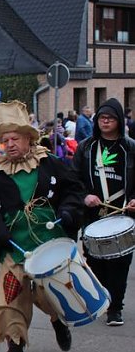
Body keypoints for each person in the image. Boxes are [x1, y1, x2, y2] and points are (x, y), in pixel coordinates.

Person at [0, 101, 83, 352]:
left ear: (28, 139)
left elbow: (73, 190)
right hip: (15, 245)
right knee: (10, 297)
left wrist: (68, 212)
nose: (10, 144)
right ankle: (15, 344)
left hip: (50, 241)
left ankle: (58, 321)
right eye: (5, 140)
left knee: (48, 294)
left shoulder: (50, 163)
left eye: (15, 138)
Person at [72, 98, 135, 326]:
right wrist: (84, 196)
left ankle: (115, 308)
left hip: (123, 215)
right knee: (95, 262)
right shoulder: (86, 147)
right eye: (101, 117)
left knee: (120, 264)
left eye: (110, 118)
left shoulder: (130, 148)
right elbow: (74, 179)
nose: (105, 121)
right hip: (93, 215)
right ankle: (102, 301)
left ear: (119, 121)